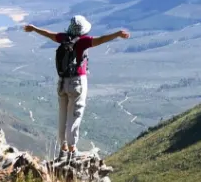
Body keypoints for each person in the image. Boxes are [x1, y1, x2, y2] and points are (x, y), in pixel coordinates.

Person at [23, 15, 130, 159]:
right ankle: (72, 150)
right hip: (77, 83)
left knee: (63, 115)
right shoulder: (83, 41)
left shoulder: (63, 38)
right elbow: (102, 39)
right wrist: (117, 34)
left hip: (62, 82)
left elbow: (49, 34)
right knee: (74, 116)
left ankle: (63, 149)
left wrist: (34, 29)